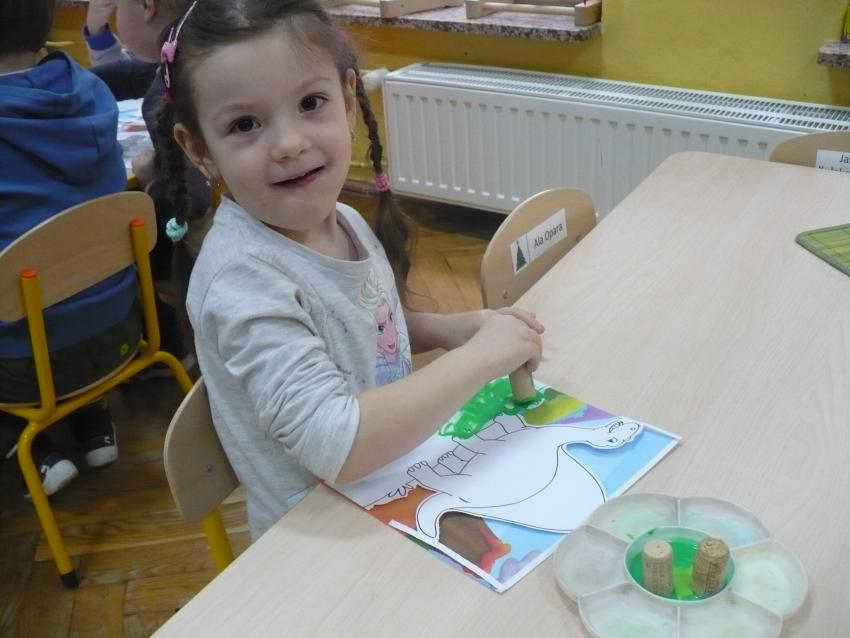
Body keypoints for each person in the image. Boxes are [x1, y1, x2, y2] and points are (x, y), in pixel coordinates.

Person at [156, 0, 545, 539]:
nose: (290, 144)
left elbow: (360, 327)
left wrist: (449, 329)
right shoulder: (242, 281)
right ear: (199, 149)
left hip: (396, 481)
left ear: (346, 98)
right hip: (326, 538)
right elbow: (337, 445)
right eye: (245, 124)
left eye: (310, 103)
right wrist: (482, 359)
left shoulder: (342, 219)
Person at [0, 0, 141, 495]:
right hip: (122, 329)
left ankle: (28, 447)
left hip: (24, 368)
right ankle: (92, 420)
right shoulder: (90, 88)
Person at [81, 0, 211, 361]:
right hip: (217, 249)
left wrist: (153, 182)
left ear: (146, 7)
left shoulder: (167, 94)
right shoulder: (195, 51)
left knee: (108, 239)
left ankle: (168, 340)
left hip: (194, 254)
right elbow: (129, 74)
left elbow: (191, 199)